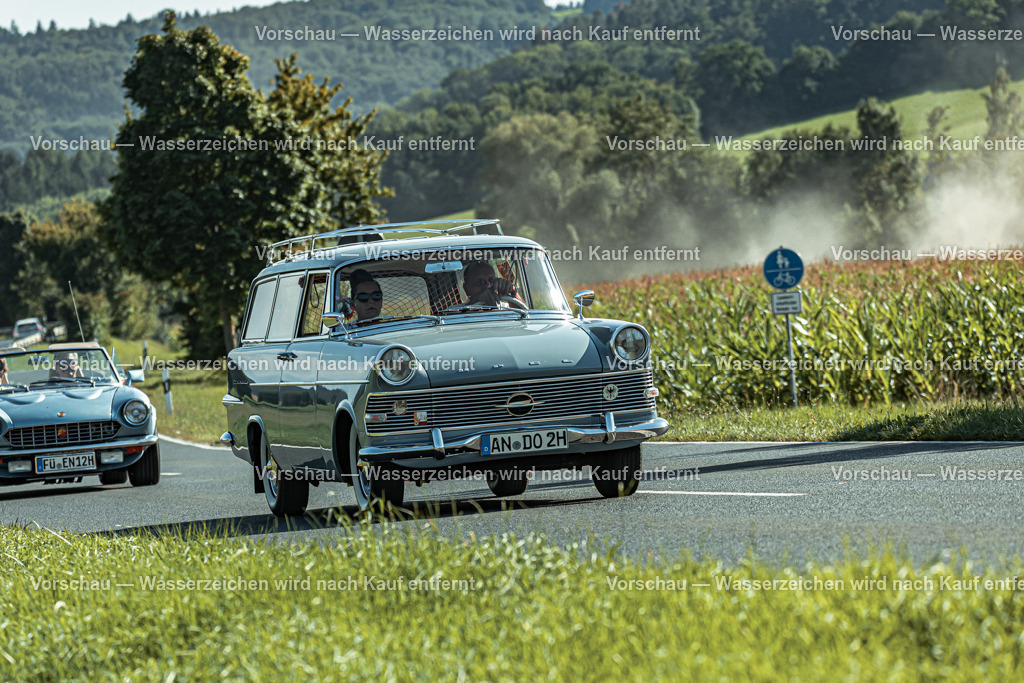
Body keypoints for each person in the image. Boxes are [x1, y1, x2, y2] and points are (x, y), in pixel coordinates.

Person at [460, 261, 524, 309]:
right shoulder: (455, 312)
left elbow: (525, 316)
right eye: (479, 282)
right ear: (467, 289)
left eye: (491, 280)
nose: (488, 285)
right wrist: (473, 304)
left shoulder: (506, 307)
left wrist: (513, 292)